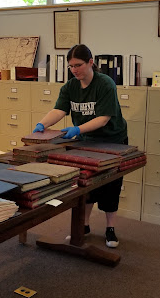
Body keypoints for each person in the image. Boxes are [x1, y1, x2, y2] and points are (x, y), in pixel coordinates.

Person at [33, 44, 128, 248]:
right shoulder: (70, 87)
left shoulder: (105, 84)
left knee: (110, 187)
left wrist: (77, 129)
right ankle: (83, 225)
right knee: (85, 184)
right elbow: (59, 110)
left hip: (112, 140)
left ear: (90, 63)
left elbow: (103, 119)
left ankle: (110, 229)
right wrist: (43, 124)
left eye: (78, 65)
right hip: (86, 142)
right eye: (71, 66)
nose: (75, 70)